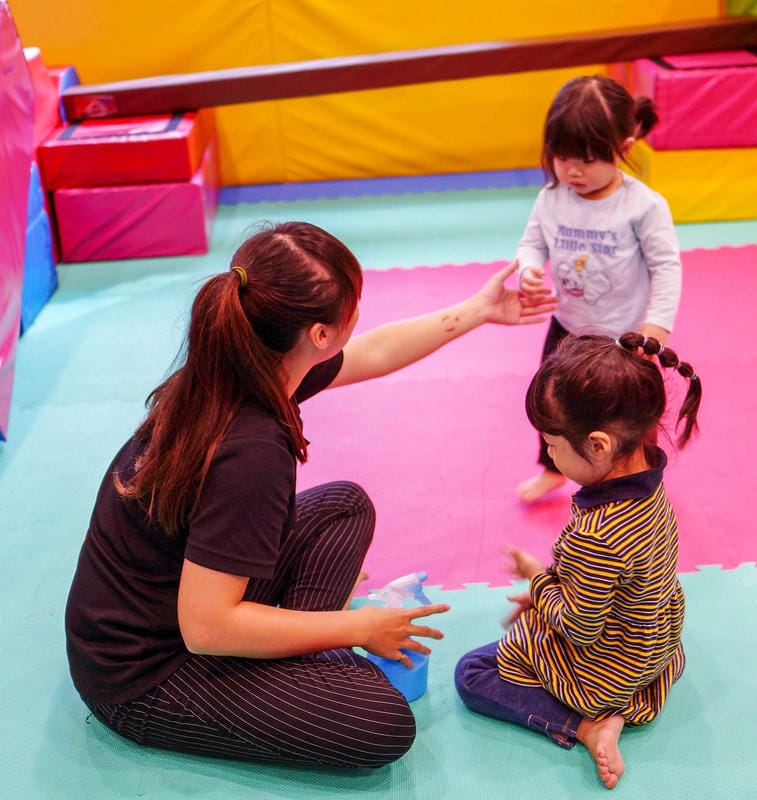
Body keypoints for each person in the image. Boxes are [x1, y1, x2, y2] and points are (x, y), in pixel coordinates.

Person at [64, 221, 557, 769]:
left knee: (344, 506)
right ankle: (292, 661)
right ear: (319, 335)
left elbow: (373, 352)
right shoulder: (251, 450)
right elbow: (205, 628)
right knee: (384, 723)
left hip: (179, 598)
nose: (358, 316)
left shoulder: (243, 361)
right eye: (353, 305)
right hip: (146, 673)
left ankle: (287, 656)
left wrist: (480, 310)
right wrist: (359, 627)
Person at [454, 332, 702, 789]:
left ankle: (585, 725)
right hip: (656, 648)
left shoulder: (598, 535)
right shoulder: (649, 479)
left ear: (599, 446)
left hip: (602, 666)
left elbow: (580, 627)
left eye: (551, 443)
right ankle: (626, 708)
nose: (547, 453)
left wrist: (539, 583)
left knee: (472, 673)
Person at [513, 74, 683, 502]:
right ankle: (553, 467)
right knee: (553, 406)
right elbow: (531, 243)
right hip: (568, 329)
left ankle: (639, 486)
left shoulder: (643, 206)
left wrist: (656, 327)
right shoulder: (552, 198)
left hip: (626, 337)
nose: (572, 170)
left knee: (633, 419)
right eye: (562, 156)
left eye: (587, 159)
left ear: (623, 148)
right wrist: (530, 269)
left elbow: (667, 267)